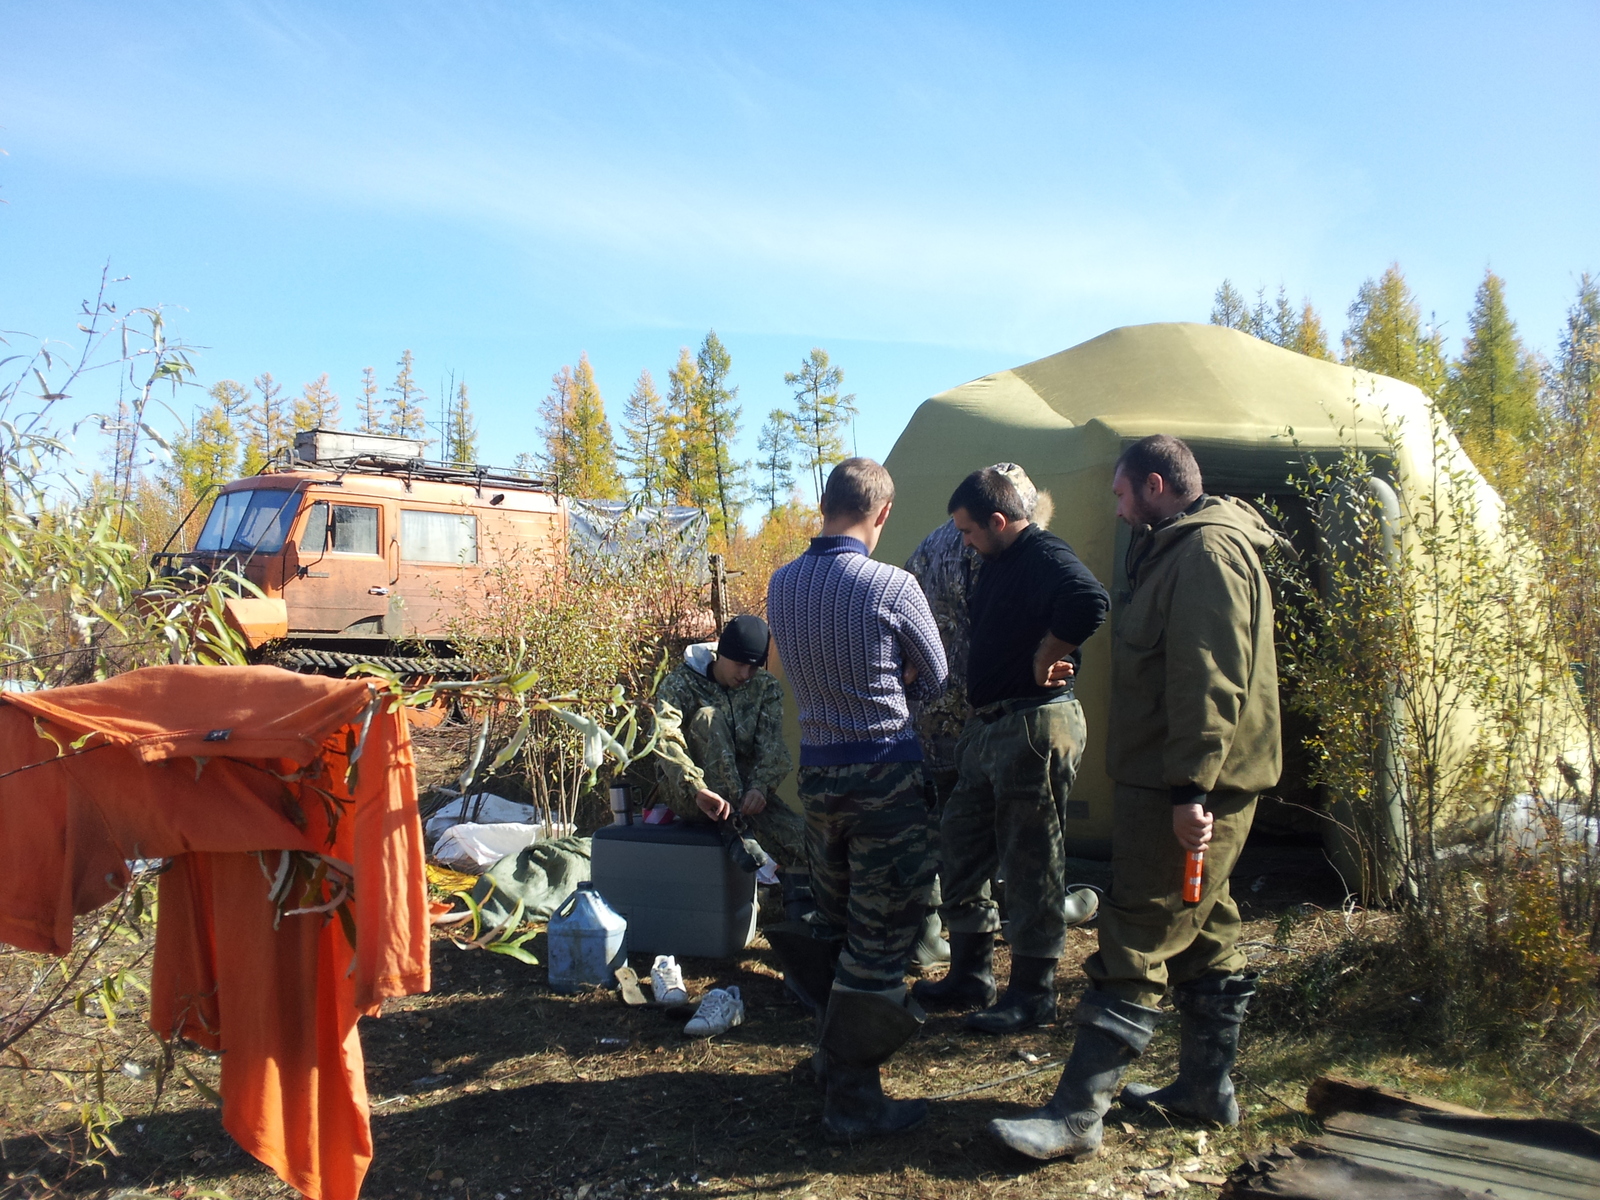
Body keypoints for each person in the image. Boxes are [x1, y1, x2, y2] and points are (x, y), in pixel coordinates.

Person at [989, 435, 1286, 1161]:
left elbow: (1208, 680)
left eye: (1121, 495)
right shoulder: (1175, 547)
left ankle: (1076, 1117)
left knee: (1137, 932)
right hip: (1172, 778)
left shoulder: (1207, 553)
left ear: (1155, 485)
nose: (1117, 511)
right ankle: (1205, 1090)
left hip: (1183, 788)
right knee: (1207, 929)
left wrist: (1191, 790)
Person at [765, 457, 949, 1141]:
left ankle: (827, 1054)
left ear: (825, 504)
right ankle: (854, 1097)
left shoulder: (781, 584)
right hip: (883, 778)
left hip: (818, 778)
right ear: (882, 513)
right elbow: (937, 672)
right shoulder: (892, 585)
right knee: (881, 937)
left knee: (837, 921)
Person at [914, 467, 1110, 1035]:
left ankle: (1032, 992)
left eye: (970, 532)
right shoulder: (997, 561)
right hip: (989, 727)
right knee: (961, 842)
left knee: (1030, 861)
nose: (965, 542)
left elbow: (1087, 599)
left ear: (999, 521)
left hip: (1033, 724)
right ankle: (972, 973)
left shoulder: (1043, 552)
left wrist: (1051, 648)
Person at [902, 463, 1056, 971]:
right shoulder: (999, 548)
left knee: (944, 825)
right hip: (980, 714)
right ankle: (988, 936)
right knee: (991, 827)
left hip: (934, 707)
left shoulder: (932, 544)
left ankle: (936, 933)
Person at [652, 615, 808, 898]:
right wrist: (695, 787)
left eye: (753, 667)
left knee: (804, 842)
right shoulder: (681, 683)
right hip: (693, 796)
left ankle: (801, 910)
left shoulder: (765, 687)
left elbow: (773, 747)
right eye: (739, 665)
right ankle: (734, 830)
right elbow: (664, 738)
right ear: (721, 653)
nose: (745, 674)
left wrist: (761, 787)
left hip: (747, 797)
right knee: (708, 718)